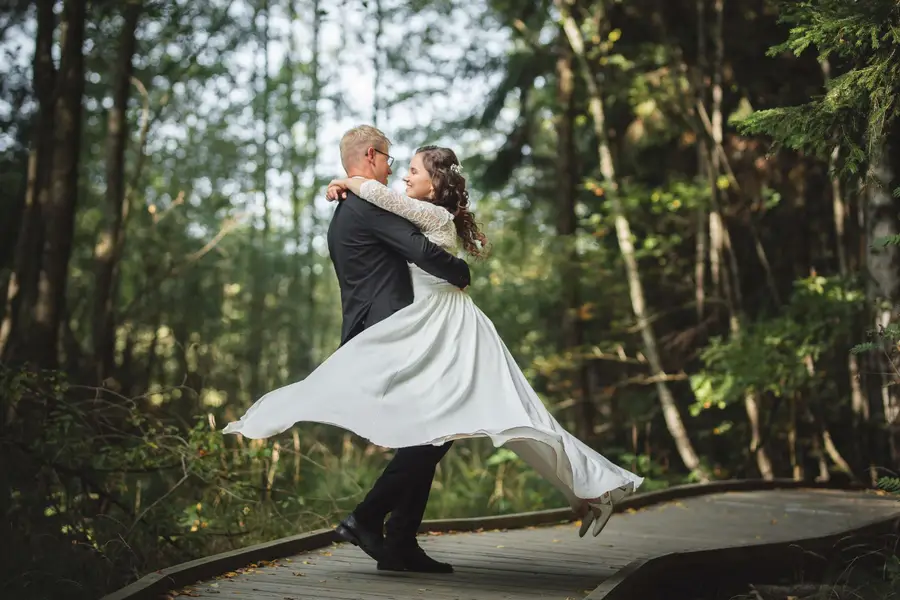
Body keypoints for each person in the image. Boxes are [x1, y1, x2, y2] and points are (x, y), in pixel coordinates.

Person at [223, 128, 643, 573]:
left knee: (437, 432)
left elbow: (401, 228)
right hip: (412, 329)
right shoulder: (366, 202)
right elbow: (417, 249)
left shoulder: (364, 203)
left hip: (429, 325)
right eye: (392, 162)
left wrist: (344, 181)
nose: (397, 173)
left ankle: (393, 536)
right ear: (372, 155)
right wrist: (460, 270)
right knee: (437, 433)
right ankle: (370, 521)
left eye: (411, 170)